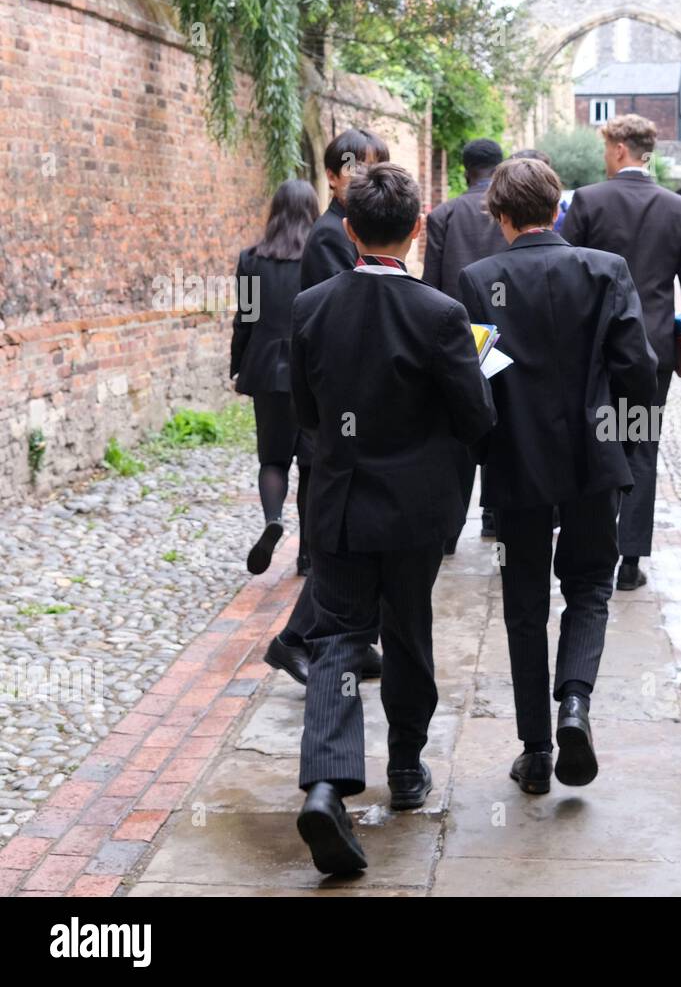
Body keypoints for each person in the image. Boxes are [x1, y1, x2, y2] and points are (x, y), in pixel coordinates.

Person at [292, 162, 496, 874]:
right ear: (418, 229)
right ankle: (407, 766)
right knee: (407, 632)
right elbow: (476, 418)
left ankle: (325, 784)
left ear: (348, 230)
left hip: (339, 504)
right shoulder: (440, 315)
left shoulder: (311, 304)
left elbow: (307, 413)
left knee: (338, 641)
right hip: (412, 511)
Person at [460, 158, 657, 794]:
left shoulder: (478, 279)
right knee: (591, 585)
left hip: (518, 458)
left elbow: (480, 378)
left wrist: (488, 444)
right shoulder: (605, 271)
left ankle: (537, 750)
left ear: (500, 215)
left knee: (523, 603)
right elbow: (636, 369)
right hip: (594, 453)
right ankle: (575, 703)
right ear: (557, 207)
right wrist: (629, 442)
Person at [262, 128, 389, 685]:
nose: (369, 179)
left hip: (357, 404)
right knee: (343, 539)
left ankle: (356, 643)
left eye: (377, 167)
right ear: (334, 176)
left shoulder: (351, 227)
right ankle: (293, 640)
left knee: (357, 539)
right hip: (346, 406)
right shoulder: (331, 236)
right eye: (358, 169)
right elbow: (351, 312)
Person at [561, 114, 681, 592]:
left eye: (607, 148)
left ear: (621, 148)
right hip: (653, 352)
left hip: (597, 348)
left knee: (599, 442)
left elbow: (564, 273)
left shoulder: (589, 200)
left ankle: (596, 548)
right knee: (642, 446)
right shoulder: (678, 208)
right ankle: (630, 559)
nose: (604, 157)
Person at [422, 138, 508, 548]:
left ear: (464, 170)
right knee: (502, 418)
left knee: (456, 430)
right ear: (500, 167)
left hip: (455, 335)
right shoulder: (509, 213)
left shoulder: (443, 214)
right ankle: (493, 514)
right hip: (505, 333)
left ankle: (451, 528)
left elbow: (432, 284)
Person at [231, 179, 319, 577]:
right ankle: (307, 555)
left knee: (273, 458)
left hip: (265, 367)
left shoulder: (251, 260)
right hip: (311, 369)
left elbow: (245, 318)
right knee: (312, 463)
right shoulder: (319, 260)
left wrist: (237, 364)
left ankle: (272, 519)